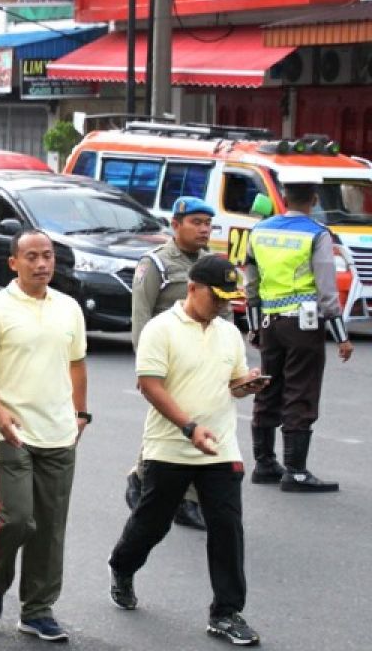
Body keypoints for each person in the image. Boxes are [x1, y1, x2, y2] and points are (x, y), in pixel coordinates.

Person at [108, 255, 268, 646]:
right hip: (169, 448)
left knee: (227, 527)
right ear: (192, 288)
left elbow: (230, 384)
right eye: (217, 298)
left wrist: (245, 385)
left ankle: (226, 612)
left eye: (228, 300)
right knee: (153, 523)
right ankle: (122, 566)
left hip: (220, 447)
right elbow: (150, 384)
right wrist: (189, 427)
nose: (223, 306)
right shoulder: (161, 330)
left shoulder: (227, 332)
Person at [0, 230, 88, 643]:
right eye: (32, 257)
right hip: (12, 432)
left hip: (59, 432)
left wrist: (80, 414)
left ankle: (37, 609)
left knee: (50, 528)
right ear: (13, 263)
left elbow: (77, 363)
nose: (42, 264)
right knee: (17, 518)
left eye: (48, 256)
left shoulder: (69, 308)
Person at [244, 173, 353, 493]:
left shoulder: (259, 231)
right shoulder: (317, 234)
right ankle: (296, 470)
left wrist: (253, 326)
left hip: (269, 323)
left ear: (284, 197)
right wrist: (341, 335)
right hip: (303, 326)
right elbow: (327, 290)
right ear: (314, 200)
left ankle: (264, 463)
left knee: (268, 386)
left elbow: (251, 283)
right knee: (300, 392)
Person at [125, 196, 217, 531]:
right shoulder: (156, 263)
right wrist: (145, 368)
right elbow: (140, 315)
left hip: (202, 359)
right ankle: (186, 500)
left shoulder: (212, 263)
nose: (204, 229)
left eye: (207, 223)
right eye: (196, 222)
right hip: (167, 360)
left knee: (185, 422)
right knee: (181, 423)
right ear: (176, 225)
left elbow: (221, 312)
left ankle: (140, 476)